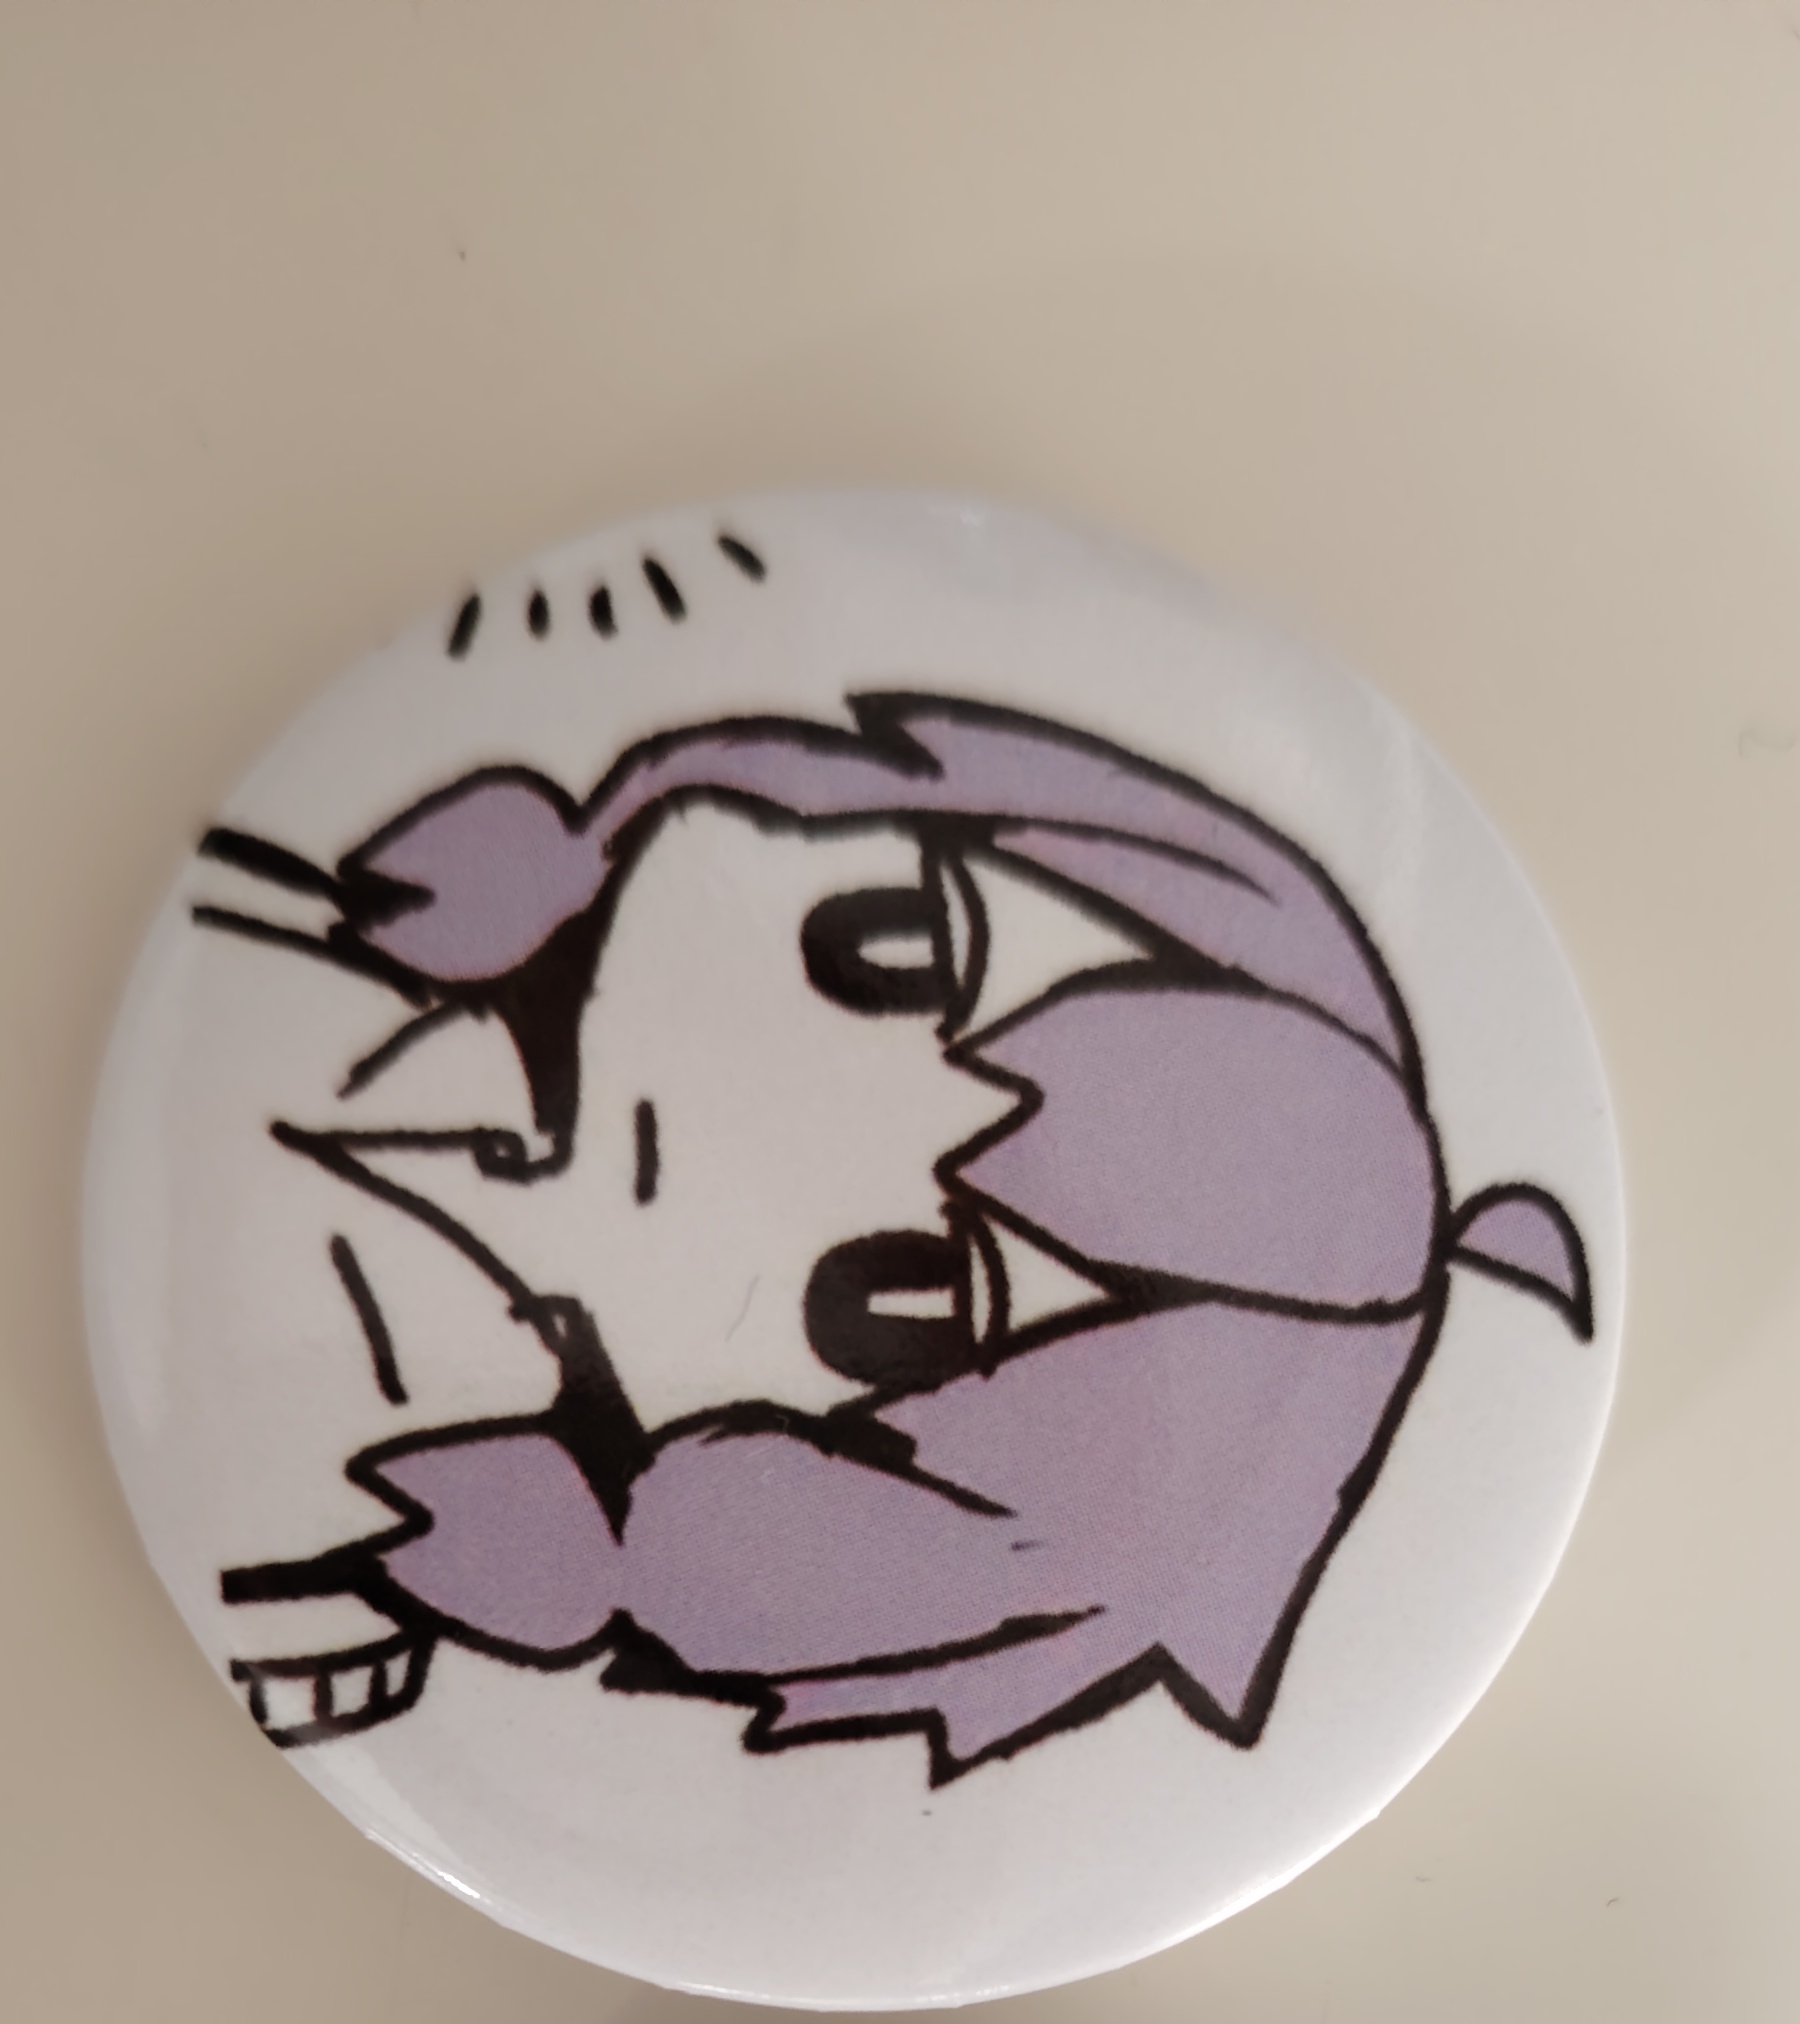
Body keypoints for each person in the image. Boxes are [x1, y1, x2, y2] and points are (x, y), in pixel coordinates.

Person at [206, 694, 1592, 1774]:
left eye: (897, 1299)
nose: (714, 1139)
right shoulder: (251, 917)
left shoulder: (289, 1552)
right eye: (887, 954)